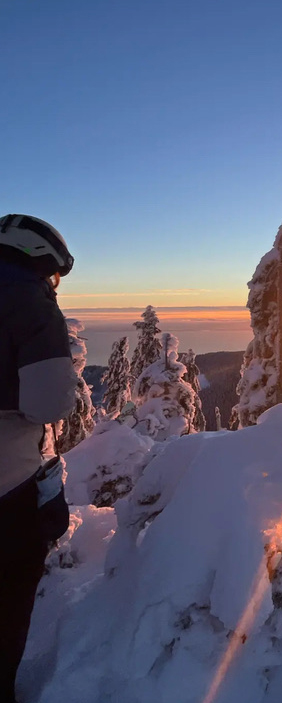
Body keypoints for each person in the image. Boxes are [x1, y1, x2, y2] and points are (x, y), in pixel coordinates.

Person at [0, 214, 77, 703]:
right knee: (10, 589)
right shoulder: (29, 301)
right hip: (6, 476)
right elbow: (49, 402)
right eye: (54, 274)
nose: (53, 284)